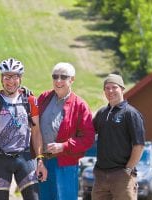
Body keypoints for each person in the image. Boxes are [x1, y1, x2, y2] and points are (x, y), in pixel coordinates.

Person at [0, 58, 47, 200]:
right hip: (0, 159)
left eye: (15, 76)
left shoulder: (30, 100)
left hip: (25, 158)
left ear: (20, 78)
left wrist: (40, 160)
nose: (11, 81)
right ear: (1, 78)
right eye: (7, 76)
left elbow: (36, 131)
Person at [37, 62, 95, 200]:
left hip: (66, 164)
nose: (58, 80)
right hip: (42, 162)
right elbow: (33, 128)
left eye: (63, 77)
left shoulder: (80, 105)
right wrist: (38, 159)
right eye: (55, 76)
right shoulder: (43, 98)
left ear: (72, 79)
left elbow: (88, 138)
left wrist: (63, 146)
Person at [92, 73, 145, 200]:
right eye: (107, 88)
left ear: (122, 89)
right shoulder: (101, 113)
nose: (110, 91)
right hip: (100, 175)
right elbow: (87, 134)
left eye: (114, 87)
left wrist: (128, 170)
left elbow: (139, 145)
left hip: (122, 176)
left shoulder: (131, 113)